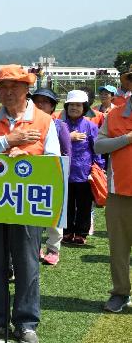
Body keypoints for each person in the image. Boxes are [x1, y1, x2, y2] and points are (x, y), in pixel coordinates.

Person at [0, 65, 60, 343]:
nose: (7, 92)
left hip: (28, 204)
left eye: (14, 87)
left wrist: (27, 158)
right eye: (3, 87)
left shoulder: (45, 120)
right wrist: (8, 142)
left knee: (27, 263)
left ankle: (26, 322)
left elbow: (55, 161)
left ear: (26, 90)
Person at [94, 70, 132, 313]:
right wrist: (127, 138)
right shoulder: (116, 114)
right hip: (119, 193)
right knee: (118, 248)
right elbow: (98, 144)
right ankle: (120, 293)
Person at [30, 88, 72, 266]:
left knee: (53, 214)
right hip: (30, 176)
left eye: (45, 102)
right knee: (33, 213)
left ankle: (53, 248)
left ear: (52, 106)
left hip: (53, 175)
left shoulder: (59, 125)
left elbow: (67, 150)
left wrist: (63, 174)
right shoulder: (26, 123)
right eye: (37, 101)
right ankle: (34, 246)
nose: (40, 105)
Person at [60, 90, 103, 246]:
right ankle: (67, 231)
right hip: (64, 172)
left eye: (78, 105)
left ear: (84, 107)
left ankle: (81, 232)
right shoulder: (60, 125)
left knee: (84, 205)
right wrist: (69, 137)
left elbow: (96, 148)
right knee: (67, 204)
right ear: (66, 106)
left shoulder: (91, 126)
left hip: (84, 173)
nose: (74, 108)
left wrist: (97, 167)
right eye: (71, 105)